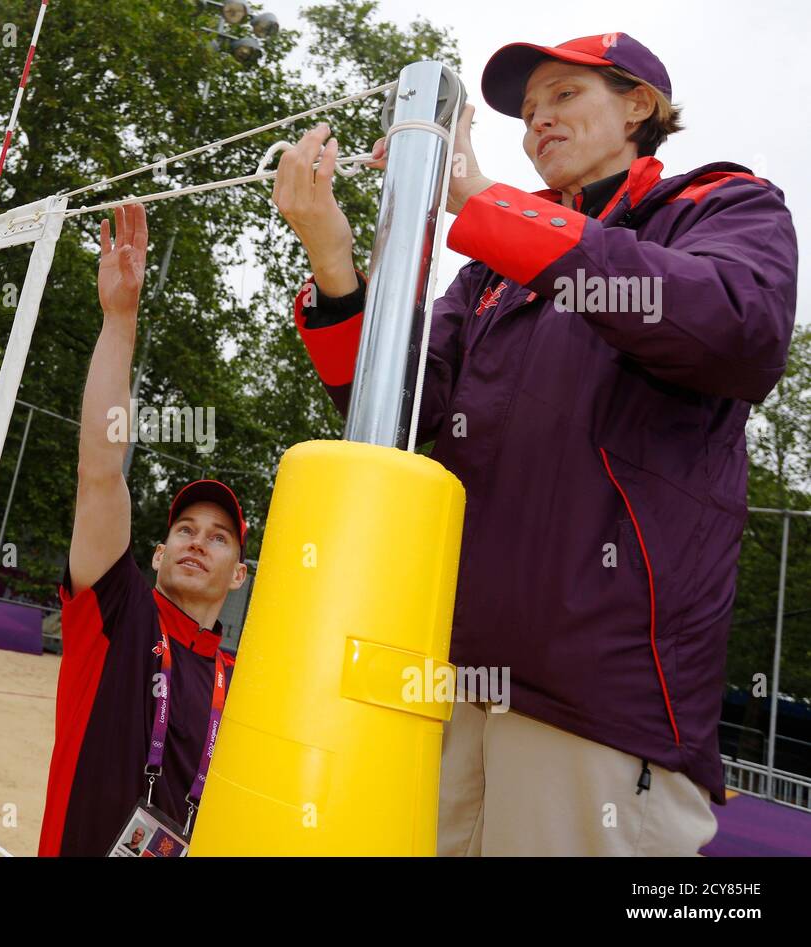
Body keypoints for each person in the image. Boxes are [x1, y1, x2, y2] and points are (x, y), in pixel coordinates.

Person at [273, 32, 798, 855]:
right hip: (449, 677)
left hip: (599, 700)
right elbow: (401, 412)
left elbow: (738, 330)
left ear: (639, 106)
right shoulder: (492, 269)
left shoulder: (716, 205)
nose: (537, 122)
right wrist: (334, 260)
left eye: (564, 96)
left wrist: (488, 200)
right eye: (526, 112)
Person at [38, 203, 250, 857]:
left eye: (219, 537)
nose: (197, 540)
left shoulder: (242, 682)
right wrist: (120, 319)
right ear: (156, 553)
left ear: (239, 575)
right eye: (185, 528)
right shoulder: (117, 613)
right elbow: (100, 470)